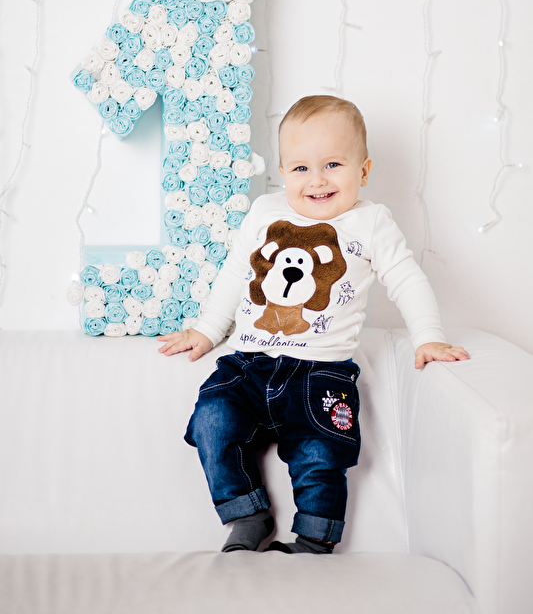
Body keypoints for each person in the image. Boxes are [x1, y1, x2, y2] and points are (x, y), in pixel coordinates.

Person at [157, 94, 470, 555]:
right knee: (212, 420)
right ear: (283, 172)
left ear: (363, 170)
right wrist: (206, 330)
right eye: (301, 168)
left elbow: (407, 279)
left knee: (322, 453)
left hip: (321, 372)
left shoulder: (371, 222)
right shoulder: (265, 212)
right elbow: (234, 275)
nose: (317, 179)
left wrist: (429, 337)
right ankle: (246, 514)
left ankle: (314, 540)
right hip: (249, 365)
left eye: (333, 165)